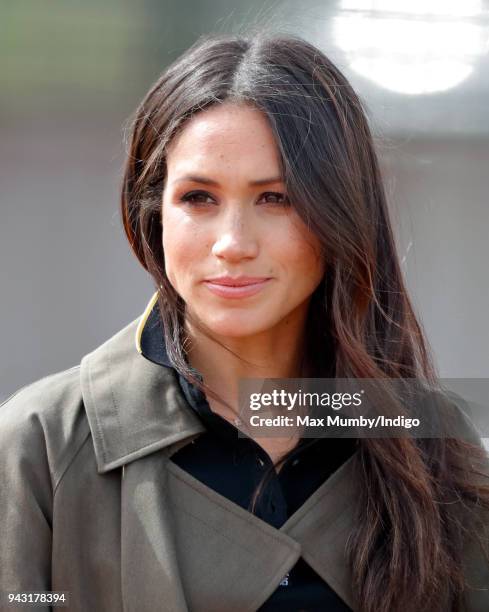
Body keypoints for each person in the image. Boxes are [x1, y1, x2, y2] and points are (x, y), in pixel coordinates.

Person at [1, 31, 489, 612]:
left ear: (341, 214)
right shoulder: (41, 446)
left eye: (275, 199)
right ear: (152, 212)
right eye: (198, 198)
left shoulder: (432, 444)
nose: (232, 244)